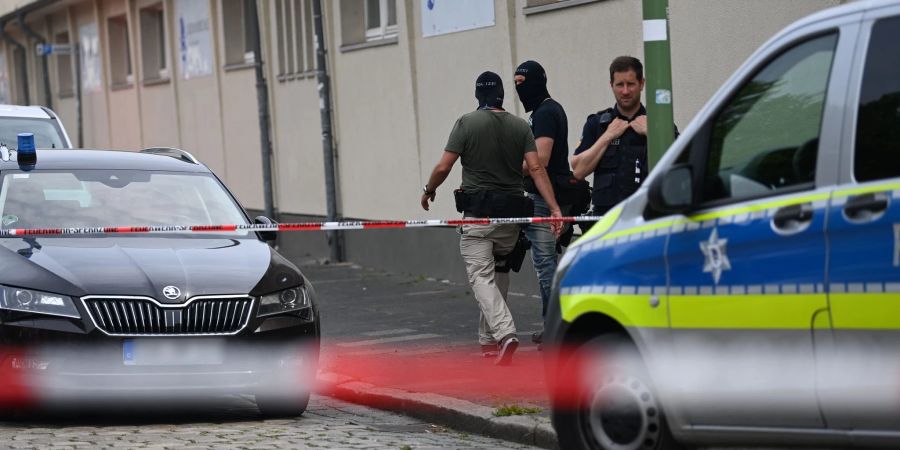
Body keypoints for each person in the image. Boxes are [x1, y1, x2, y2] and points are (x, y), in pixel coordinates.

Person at [420, 71, 562, 365]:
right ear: (502, 95)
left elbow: (444, 166)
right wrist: (555, 208)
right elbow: (536, 169)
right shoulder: (521, 126)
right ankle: (487, 342)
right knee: (498, 273)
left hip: (478, 218)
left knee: (481, 278)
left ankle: (505, 334)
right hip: (511, 221)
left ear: (477, 96)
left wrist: (429, 189)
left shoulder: (466, 123)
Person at [513, 60, 579, 346]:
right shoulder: (546, 110)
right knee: (550, 263)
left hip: (545, 198)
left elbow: (540, 160)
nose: (519, 89)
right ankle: (555, 326)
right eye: (515, 84)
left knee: (545, 265)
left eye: (523, 83)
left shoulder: (546, 112)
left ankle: (556, 329)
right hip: (552, 197)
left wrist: (506, 168)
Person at [572, 56, 665, 215]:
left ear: (641, 84)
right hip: (608, 218)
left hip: (648, 214)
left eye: (631, 84)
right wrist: (607, 136)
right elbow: (579, 171)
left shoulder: (659, 123)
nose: (625, 91)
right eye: (620, 85)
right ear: (611, 85)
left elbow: (680, 162)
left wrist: (652, 133)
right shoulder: (597, 124)